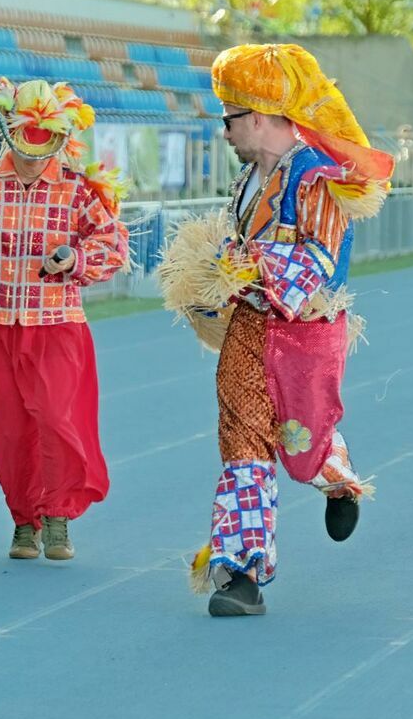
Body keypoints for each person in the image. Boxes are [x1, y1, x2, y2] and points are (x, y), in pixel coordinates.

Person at [160, 44, 393, 617]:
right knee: (242, 443)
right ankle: (240, 574)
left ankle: (337, 481)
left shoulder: (315, 177)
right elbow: (239, 256)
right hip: (250, 328)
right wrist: (214, 283)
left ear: (258, 118)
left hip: (306, 332)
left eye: (229, 119)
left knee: (302, 439)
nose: (225, 131)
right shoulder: (245, 182)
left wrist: (247, 266)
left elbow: (318, 260)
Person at [0, 77, 130, 562]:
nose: (36, 159)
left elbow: (113, 245)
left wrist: (74, 261)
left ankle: (57, 517)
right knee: (9, 428)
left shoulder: (78, 189)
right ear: (8, 132)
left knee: (59, 420)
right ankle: (24, 520)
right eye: (27, 149)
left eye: (44, 151)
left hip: (56, 323)